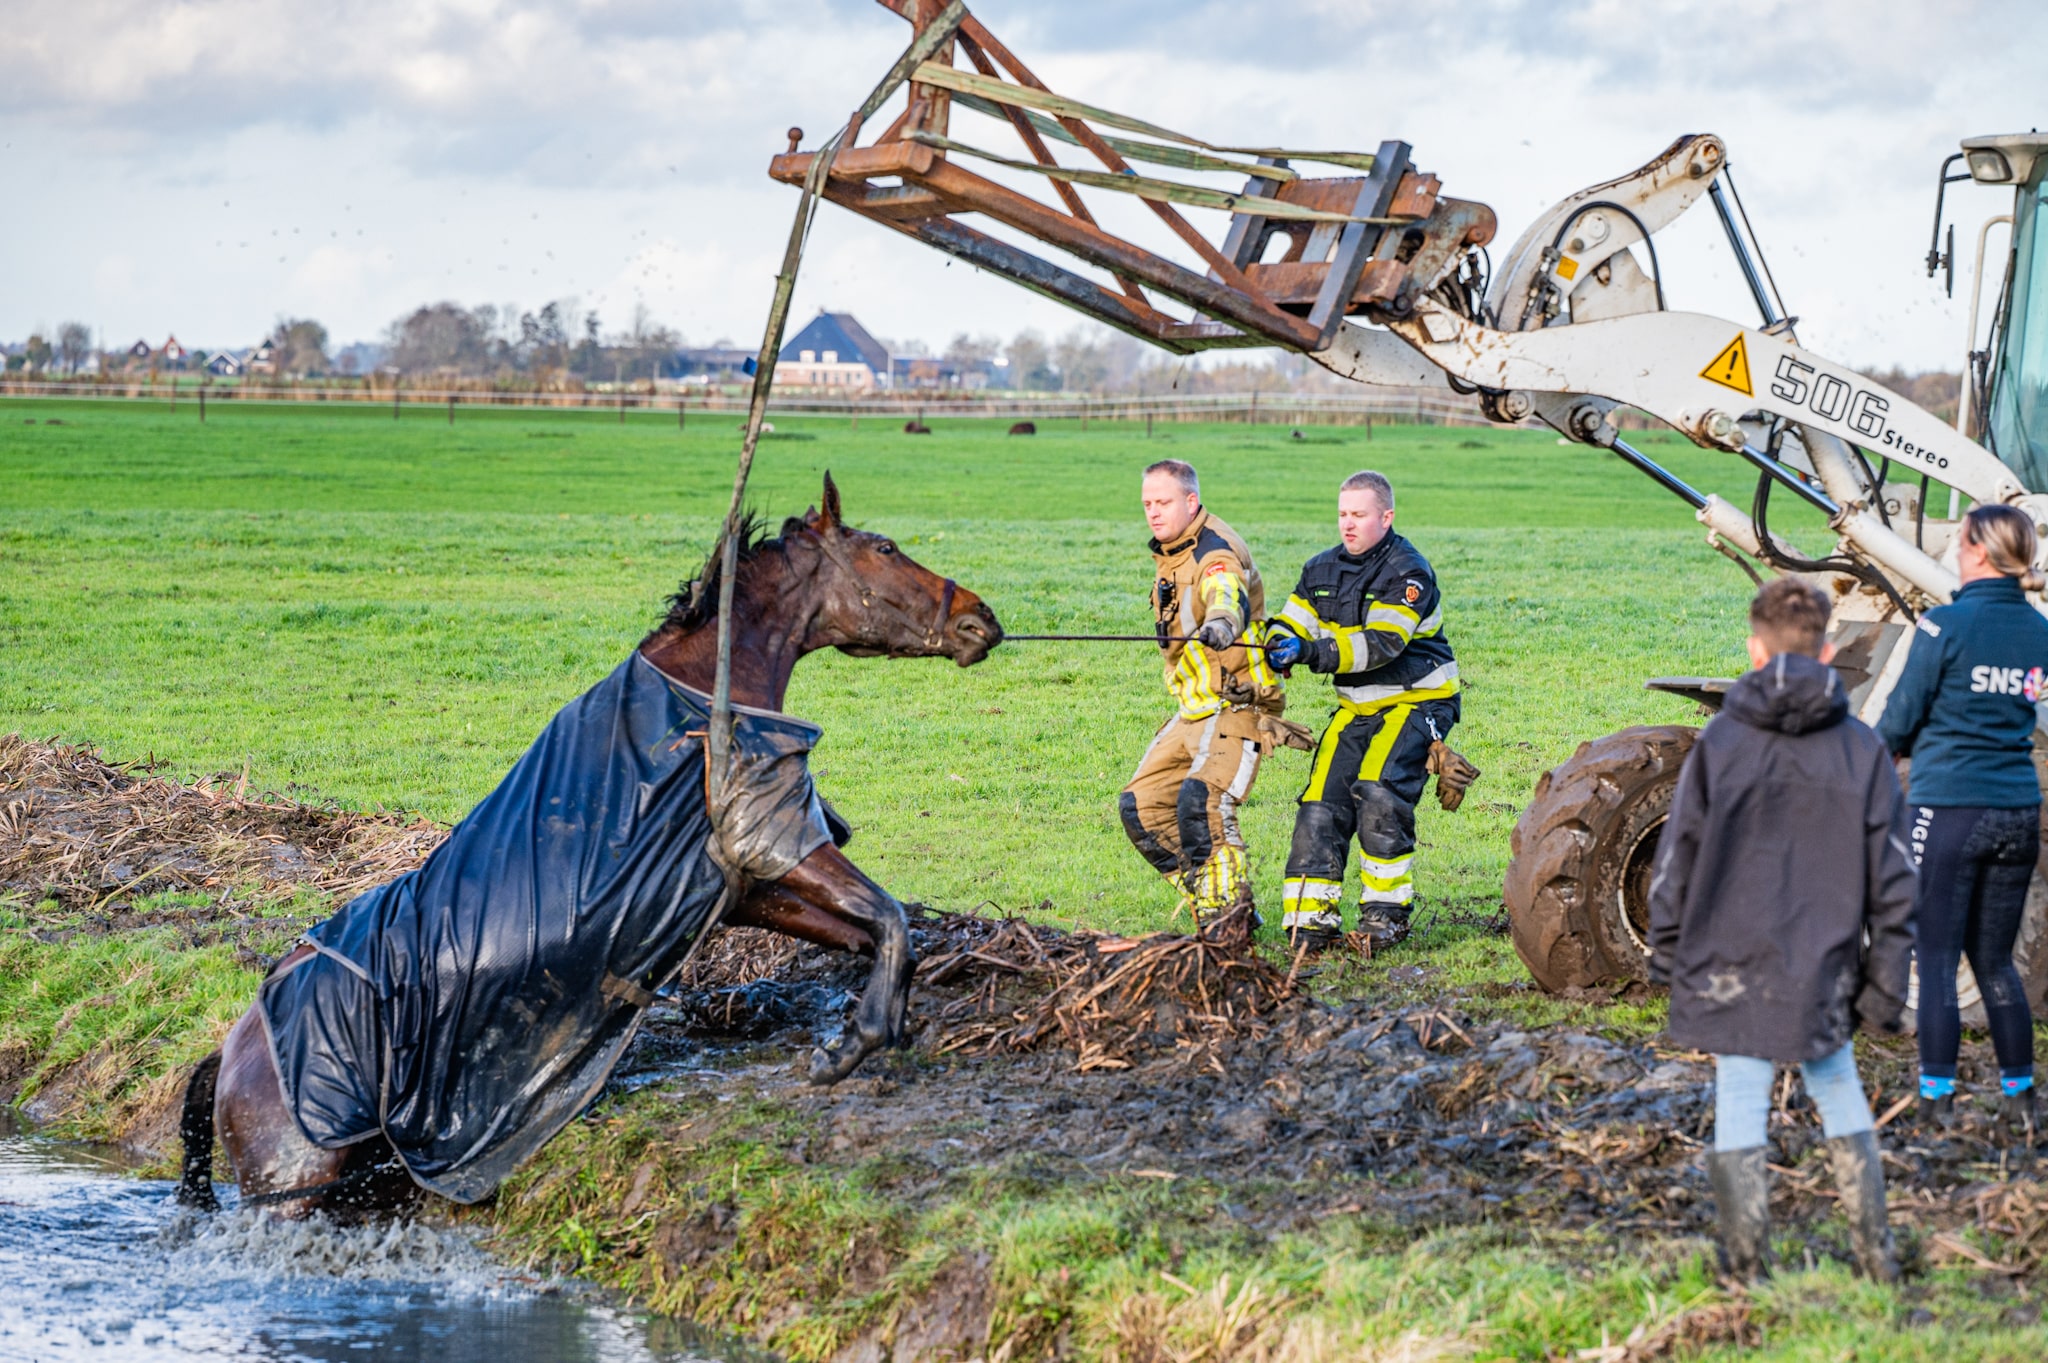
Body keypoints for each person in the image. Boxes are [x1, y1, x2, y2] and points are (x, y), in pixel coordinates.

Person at [1647, 577, 1914, 1282]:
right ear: (1828, 650)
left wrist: (1667, 952)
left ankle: (1746, 1264)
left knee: (1740, 1089)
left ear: (1752, 651)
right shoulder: (1862, 749)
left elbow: (1677, 857)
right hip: (1822, 961)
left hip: (1730, 956)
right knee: (1837, 1083)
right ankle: (1874, 1254)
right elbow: (1894, 882)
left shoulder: (1722, 742)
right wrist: (1884, 987)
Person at [1876, 503, 2048, 1151]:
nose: (1951, 545)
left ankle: (1936, 1106)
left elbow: (1899, 718)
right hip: (2017, 813)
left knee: (1939, 959)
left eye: (1958, 538)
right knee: (1997, 962)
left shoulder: (1941, 624)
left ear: (1978, 550)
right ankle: (2023, 1100)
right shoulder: (2039, 632)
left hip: (1949, 811)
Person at [1263, 471, 1463, 951]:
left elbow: (1382, 644)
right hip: (1357, 707)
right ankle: (1310, 925)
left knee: (1377, 790)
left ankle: (1385, 917)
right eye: (1342, 514)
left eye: (1359, 515)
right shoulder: (1320, 570)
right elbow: (1290, 622)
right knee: (1319, 803)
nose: (1347, 525)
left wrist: (1308, 652)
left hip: (1418, 700)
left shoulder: (1408, 572)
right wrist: (1274, 644)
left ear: (1386, 517)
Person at [1119, 460, 1286, 926]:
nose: (1153, 513)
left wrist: (1221, 625)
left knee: (1203, 803)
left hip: (1236, 703)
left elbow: (1225, 593)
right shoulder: (1172, 551)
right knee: (1141, 809)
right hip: (1193, 708)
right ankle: (1210, 900)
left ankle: (1228, 918)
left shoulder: (1215, 550)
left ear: (1190, 502)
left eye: (1164, 502)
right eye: (1147, 503)